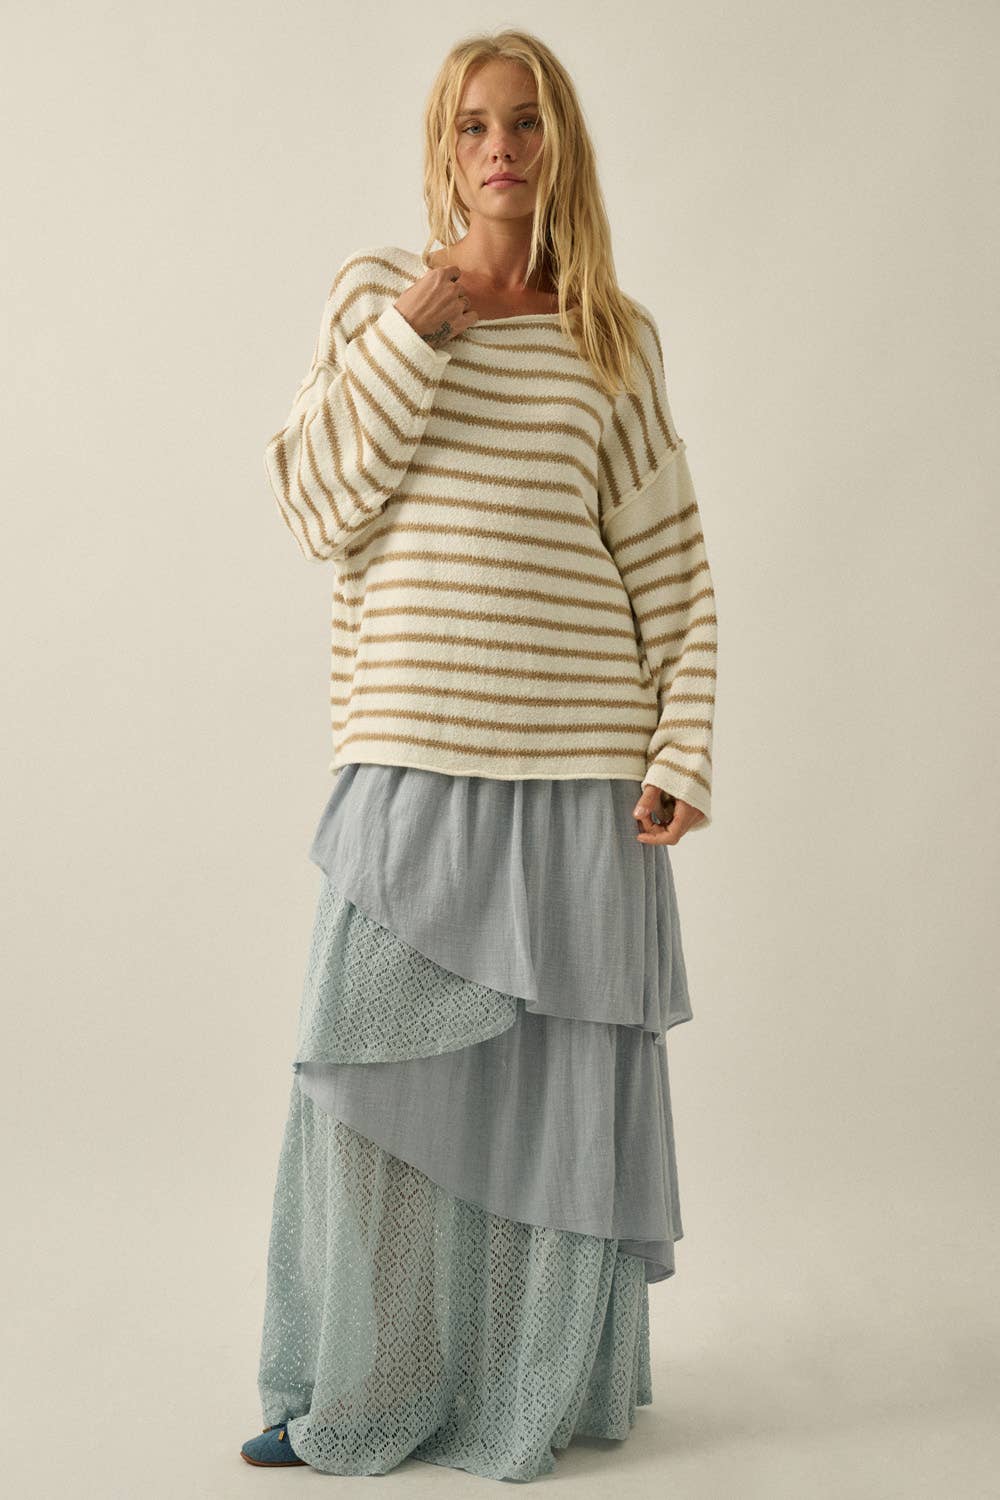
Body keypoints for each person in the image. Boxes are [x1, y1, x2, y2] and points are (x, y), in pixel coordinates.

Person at [241, 25, 718, 1484]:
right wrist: (415, 333)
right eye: (471, 125)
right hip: (412, 754)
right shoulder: (379, 296)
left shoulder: (612, 338)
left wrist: (680, 744)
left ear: (560, 143)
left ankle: (536, 1389)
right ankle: (362, 1383)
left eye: (523, 121)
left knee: (556, 1107)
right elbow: (316, 506)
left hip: (578, 771)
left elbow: (670, 563)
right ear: (442, 151)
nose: (499, 148)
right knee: (369, 1086)